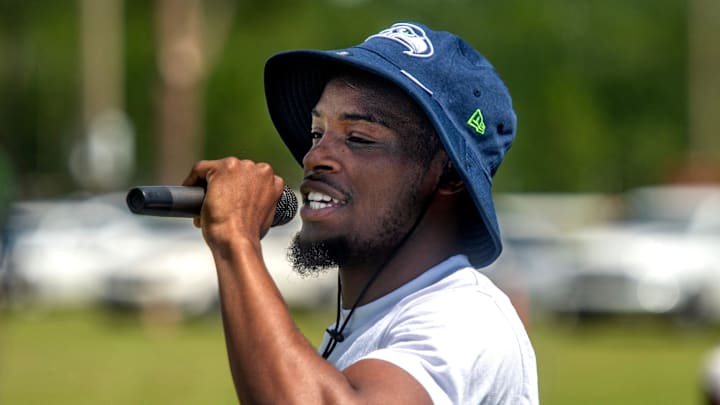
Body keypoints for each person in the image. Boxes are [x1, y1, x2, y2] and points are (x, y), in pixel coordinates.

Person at [183, 21, 539, 404]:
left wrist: (236, 239)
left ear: (448, 175)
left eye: (359, 139)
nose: (314, 157)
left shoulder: (466, 317)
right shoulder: (369, 325)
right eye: (317, 133)